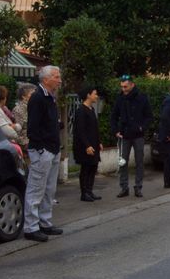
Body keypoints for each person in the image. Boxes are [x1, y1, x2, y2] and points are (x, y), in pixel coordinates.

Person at [23, 65, 64, 242]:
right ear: (46, 79)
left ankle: (45, 222)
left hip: (52, 149)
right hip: (43, 151)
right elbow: (33, 128)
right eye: (56, 77)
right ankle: (31, 227)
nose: (59, 80)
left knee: (49, 189)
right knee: (36, 189)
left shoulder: (50, 97)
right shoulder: (38, 98)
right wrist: (41, 149)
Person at [110, 74, 153, 198]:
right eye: (122, 87)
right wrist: (115, 130)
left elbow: (149, 116)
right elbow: (113, 117)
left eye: (126, 86)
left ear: (132, 85)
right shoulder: (120, 99)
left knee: (139, 162)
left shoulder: (142, 98)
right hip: (124, 135)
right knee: (123, 162)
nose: (124, 89)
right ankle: (124, 188)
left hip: (138, 135)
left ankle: (138, 187)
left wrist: (141, 127)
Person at [73, 85, 103, 202]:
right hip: (85, 146)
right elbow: (80, 130)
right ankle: (84, 193)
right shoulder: (81, 110)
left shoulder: (91, 109)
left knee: (93, 167)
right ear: (88, 95)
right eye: (94, 94)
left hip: (94, 144)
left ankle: (90, 191)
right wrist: (87, 145)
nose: (96, 96)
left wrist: (99, 142)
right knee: (85, 169)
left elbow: (95, 128)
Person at [12, 83, 36, 152]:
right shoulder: (18, 110)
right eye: (32, 94)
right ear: (24, 97)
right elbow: (17, 131)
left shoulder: (33, 106)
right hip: (26, 142)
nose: (35, 96)